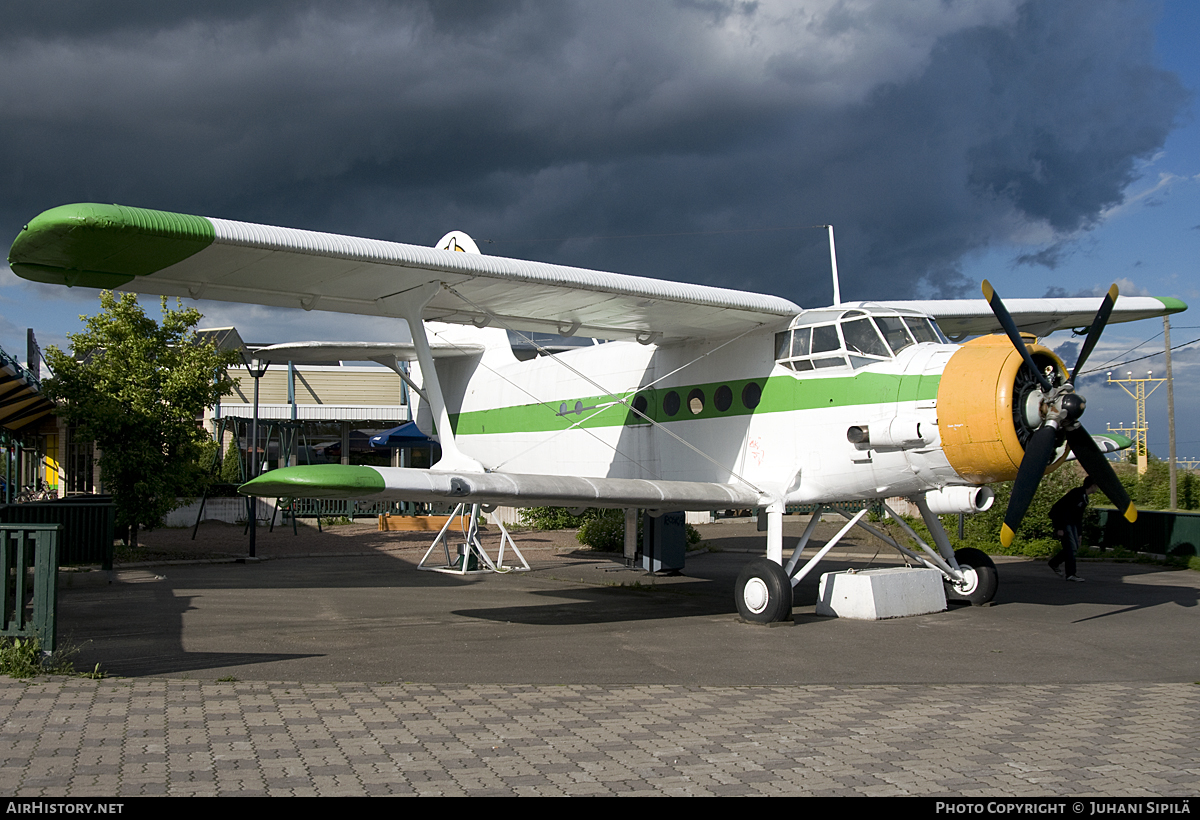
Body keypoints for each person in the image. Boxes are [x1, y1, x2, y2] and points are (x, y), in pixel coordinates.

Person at [1049, 476, 1099, 582]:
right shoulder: (1076, 494)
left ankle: (1054, 562)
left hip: (1072, 525)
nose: (1097, 489)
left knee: (1072, 548)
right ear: (1093, 485)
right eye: (1096, 486)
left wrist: (1079, 534)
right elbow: (1060, 509)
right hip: (1065, 524)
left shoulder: (1084, 498)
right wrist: (1059, 527)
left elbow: (1078, 517)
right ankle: (1070, 574)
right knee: (1071, 548)